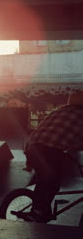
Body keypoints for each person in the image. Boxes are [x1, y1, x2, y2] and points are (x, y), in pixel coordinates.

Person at [22, 91, 83, 222]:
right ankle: (39, 211)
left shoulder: (59, 111)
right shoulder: (81, 115)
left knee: (45, 179)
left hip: (31, 147)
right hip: (49, 149)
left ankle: (40, 209)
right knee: (52, 181)